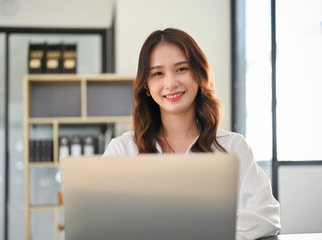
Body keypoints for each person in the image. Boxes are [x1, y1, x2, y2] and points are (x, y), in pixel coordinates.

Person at [103, 28, 281, 239]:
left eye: (181, 69)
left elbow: (267, 217)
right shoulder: (122, 150)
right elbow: (102, 222)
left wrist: (184, 225)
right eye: (158, 73)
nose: (171, 83)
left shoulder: (233, 147)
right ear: (147, 86)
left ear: (199, 74)